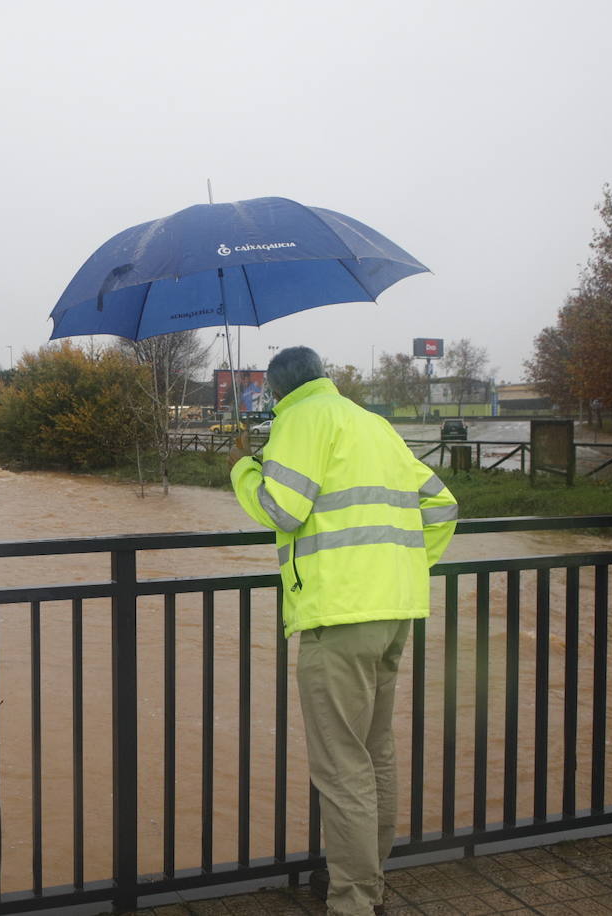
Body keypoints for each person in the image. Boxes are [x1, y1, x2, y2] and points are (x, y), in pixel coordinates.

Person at [228, 347, 457, 916]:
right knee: (374, 752)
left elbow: (282, 509)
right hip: (394, 609)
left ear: (278, 390)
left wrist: (244, 468)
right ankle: (368, 883)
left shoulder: (300, 420)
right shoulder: (371, 423)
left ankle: (354, 900)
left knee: (341, 766)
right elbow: (442, 508)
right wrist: (396, 571)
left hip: (339, 616)